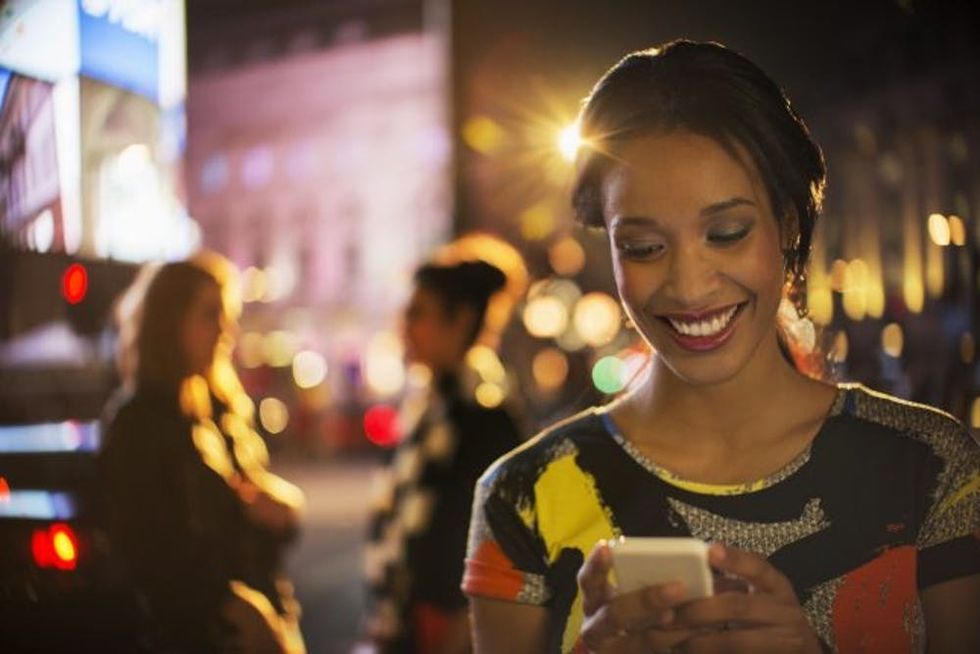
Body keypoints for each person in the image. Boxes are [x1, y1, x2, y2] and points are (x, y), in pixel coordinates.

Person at [463, 40, 980, 654]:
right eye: (644, 247)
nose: (688, 286)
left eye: (726, 233)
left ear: (789, 226)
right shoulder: (524, 497)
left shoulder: (931, 468)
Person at [100, 253, 306, 653]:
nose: (226, 331)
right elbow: (147, 555)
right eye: (211, 314)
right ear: (169, 322)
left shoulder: (218, 409)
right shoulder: (137, 426)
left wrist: (282, 511)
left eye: (227, 315)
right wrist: (231, 606)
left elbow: (252, 515)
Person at [365, 253, 525, 654]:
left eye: (418, 314)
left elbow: (488, 547)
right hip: (405, 625)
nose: (405, 327)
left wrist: (457, 629)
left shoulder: (483, 421)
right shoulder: (426, 412)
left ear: (461, 321)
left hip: (446, 634)